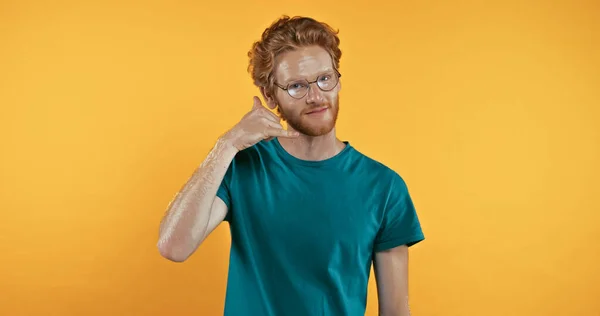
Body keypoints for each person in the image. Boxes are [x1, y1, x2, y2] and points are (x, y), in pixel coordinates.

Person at [157, 15, 425, 316]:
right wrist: (227, 144)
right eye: (297, 86)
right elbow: (173, 246)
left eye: (325, 78)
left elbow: (396, 311)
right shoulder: (242, 168)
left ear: (338, 81)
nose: (316, 96)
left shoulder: (384, 187)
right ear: (271, 97)